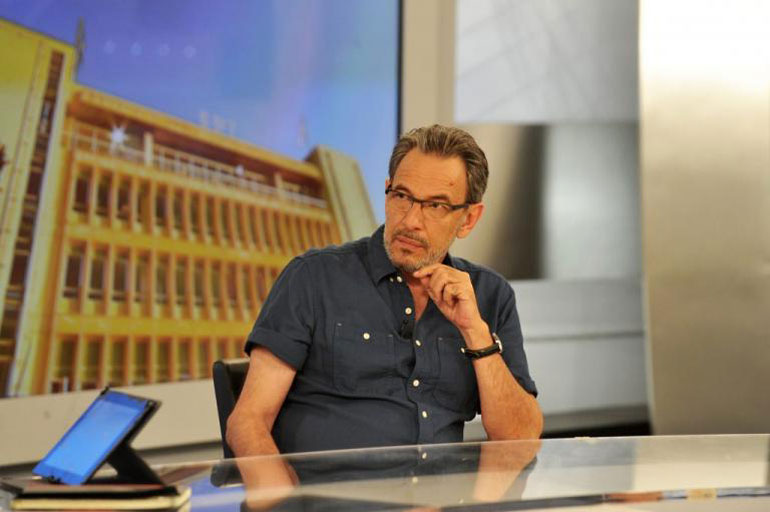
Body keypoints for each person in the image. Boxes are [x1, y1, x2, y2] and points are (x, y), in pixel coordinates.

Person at [227, 124, 542, 458]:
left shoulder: (490, 295)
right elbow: (247, 423)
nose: (410, 221)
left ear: (468, 219)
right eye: (402, 196)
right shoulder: (313, 278)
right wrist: (279, 490)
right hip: (335, 488)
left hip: (443, 489)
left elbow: (520, 437)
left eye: (435, 206)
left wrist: (475, 333)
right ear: (388, 191)